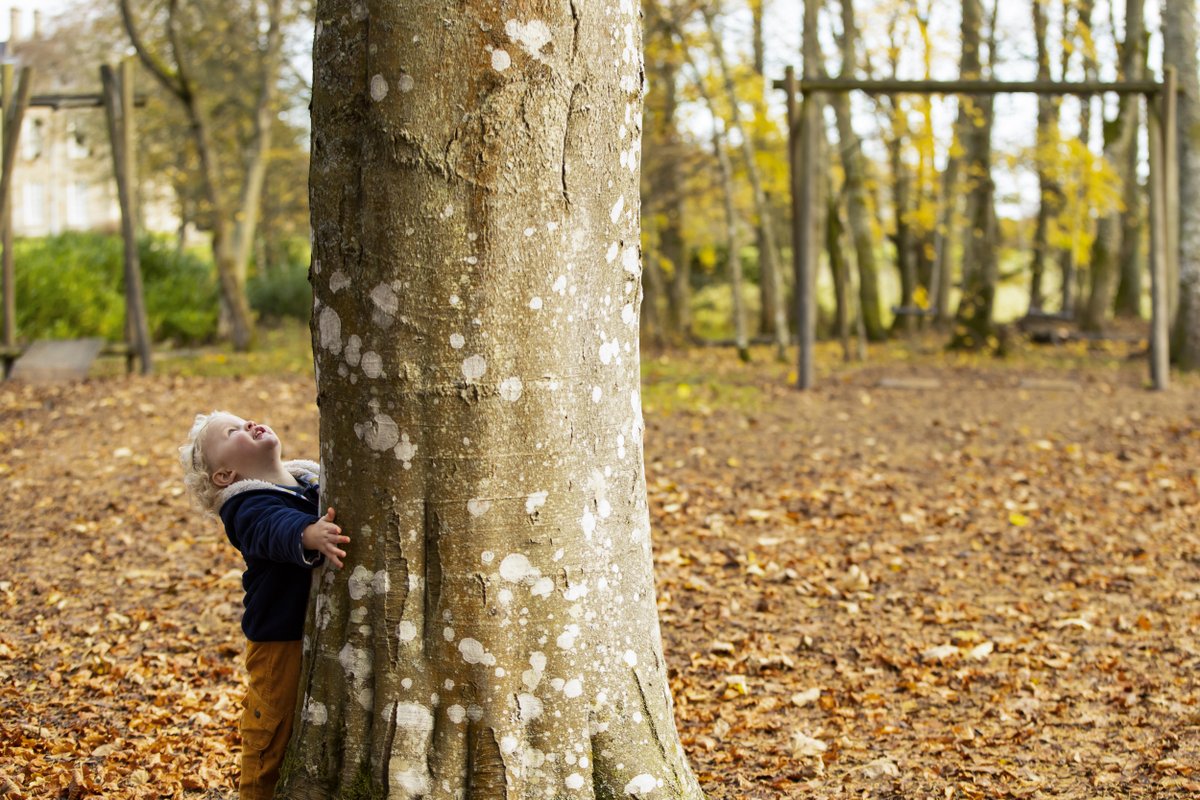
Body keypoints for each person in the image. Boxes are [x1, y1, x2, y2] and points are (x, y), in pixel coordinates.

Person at [179, 411, 349, 800]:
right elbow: (271, 527)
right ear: (225, 476)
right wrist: (306, 533)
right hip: (278, 641)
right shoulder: (245, 506)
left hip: (314, 628)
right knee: (270, 731)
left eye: (246, 420)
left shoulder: (308, 480)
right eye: (233, 431)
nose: (249, 424)